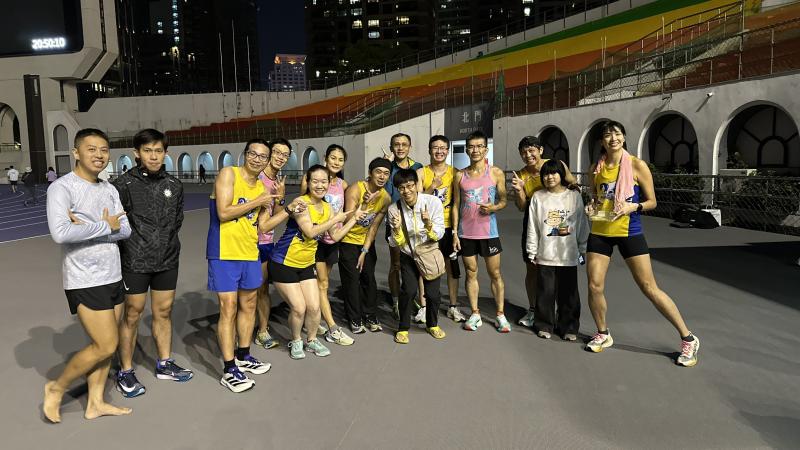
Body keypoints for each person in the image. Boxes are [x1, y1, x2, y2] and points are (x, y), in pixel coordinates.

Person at [584, 120, 700, 367]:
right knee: (594, 285)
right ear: (602, 141)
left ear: (624, 137)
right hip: (600, 230)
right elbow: (595, 197)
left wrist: (633, 207)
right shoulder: (595, 168)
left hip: (629, 231)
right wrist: (591, 206)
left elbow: (652, 202)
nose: (613, 138)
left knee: (649, 287)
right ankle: (603, 333)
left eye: (617, 134)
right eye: (607, 135)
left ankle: (688, 338)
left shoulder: (637, 165)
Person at [43, 128, 132, 422]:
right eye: (91, 149)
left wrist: (87, 227)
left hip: (113, 274)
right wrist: (104, 226)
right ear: (76, 153)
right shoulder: (62, 188)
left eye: (104, 150)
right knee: (105, 344)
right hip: (84, 278)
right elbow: (60, 233)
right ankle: (56, 387)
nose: (99, 155)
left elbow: (125, 229)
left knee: (107, 347)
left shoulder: (109, 189)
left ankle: (95, 403)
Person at [207, 140, 301, 393]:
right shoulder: (229, 174)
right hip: (224, 252)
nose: (257, 159)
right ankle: (229, 369)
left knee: (249, 305)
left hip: (250, 251)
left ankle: (243, 354)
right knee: (228, 308)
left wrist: (286, 206)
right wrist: (259, 200)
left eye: (263, 156)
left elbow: (264, 226)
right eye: (253, 154)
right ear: (245, 154)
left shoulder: (262, 187)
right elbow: (224, 212)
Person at [112, 129, 192, 398]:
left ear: (166, 153)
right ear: (137, 153)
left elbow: (177, 220)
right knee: (132, 314)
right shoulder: (122, 185)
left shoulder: (174, 185)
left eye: (158, 151)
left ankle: (164, 363)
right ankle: (125, 371)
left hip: (167, 259)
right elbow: (117, 223)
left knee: (164, 311)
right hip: (134, 261)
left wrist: (163, 243)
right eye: (147, 151)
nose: (154, 156)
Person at [270, 165, 366, 359]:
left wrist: (353, 219)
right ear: (308, 182)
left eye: (324, 181)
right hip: (284, 262)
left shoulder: (328, 207)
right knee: (299, 308)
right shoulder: (301, 203)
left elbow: (335, 236)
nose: (320, 185)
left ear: (329, 184)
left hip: (306, 264)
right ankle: (296, 340)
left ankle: (312, 340)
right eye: (315, 181)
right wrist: (335, 219)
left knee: (314, 307)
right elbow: (310, 232)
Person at [510, 136, 577, 328]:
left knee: (561, 267)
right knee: (533, 267)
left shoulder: (556, 165)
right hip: (534, 222)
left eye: (531, 150)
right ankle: (534, 310)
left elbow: (573, 185)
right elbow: (522, 207)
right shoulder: (521, 175)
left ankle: (561, 314)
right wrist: (519, 190)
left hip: (560, 220)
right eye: (523, 152)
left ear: (540, 150)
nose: (528, 155)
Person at [452, 130, 511, 332]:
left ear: (486, 150)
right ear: (466, 150)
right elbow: (455, 205)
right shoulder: (459, 175)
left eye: (479, 146)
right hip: (466, 233)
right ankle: (475, 313)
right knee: (470, 273)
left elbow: (504, 200)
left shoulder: (495, 173)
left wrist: (493, 207)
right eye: (471, 146)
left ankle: (500, 314)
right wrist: (454, 232)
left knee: (495, 273)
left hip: (489, 233)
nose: (475, 150)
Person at [525, 160, 589, 340]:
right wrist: (532, 250)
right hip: (545, 253)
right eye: (545, 174)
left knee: (569, 293)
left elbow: (581, 223)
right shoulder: (538, 197)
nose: (549, 177)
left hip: (568, 253)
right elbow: (533, 226)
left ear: (561, 175)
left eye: (553, 173)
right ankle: (544, 324)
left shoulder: (573, 196)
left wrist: (582, 247)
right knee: (545, 292)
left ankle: (569, 327)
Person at [299, 144, 355, 346]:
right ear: (325, 158)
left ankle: (313, 318)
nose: (336, 162)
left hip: (332, 239)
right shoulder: (313, 180)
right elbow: (302, 203)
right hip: (315, 240)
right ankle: (332, 327)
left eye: (340, 159)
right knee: (320, 283)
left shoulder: (343, 184)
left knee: (322, 283)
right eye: (333, 158)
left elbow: (345, 211)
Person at [387, 169, 446, 343]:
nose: (406, 191)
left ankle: (432, 324)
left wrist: (428, 225)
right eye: (402, 188)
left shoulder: (432, 202)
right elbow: (394, 243)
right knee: (408, 291)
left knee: (433, 294)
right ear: (397, 189)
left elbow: (439, 233)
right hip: (408, 255)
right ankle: (403, 328)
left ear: (417, 185)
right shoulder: (394, 209)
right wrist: (396, 229)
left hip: (429, 253)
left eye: (410, 186)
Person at [415, 135, 466, 324]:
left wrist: (455, 231)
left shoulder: (455, 173)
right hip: (427, 227)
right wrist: (433, 187)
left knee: (452, 268)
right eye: (435, 147)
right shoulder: (421, 172)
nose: (439, 151)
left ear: (447, 150)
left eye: (443, 148)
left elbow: (456, 204)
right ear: (429, 150)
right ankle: (424, 307)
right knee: (424, 267)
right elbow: (417, 200)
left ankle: (453, 306)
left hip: (447, 227)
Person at [339, 157, 392, 334]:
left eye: (386, 173)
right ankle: (354, 318)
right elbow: (348, 219)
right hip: (347, 240)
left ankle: (370, 314)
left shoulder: (385, 198)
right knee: (352, 281)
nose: (382, 176)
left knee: (369, 279)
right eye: (378, 172)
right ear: (370, 173)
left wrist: (364, 250)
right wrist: (365, 203)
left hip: (365, 243)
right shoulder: (356, 189)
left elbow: (374, 227)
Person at [252, 138, 289, 350]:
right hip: (246, 241)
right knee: (244, 292)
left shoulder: (278, 182)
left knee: (262, 289)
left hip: (265, 243)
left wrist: (281, 198)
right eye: (277, 152)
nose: (280, 157)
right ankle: (239, 332)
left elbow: (276, 216)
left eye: (285, 155)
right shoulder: (255, 176)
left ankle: (263, 331)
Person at [382, 133, 423, 319]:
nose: (400, 148)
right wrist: (386, 165)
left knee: (415, 263)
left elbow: (421, 193)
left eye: (404, 144)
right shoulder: (386, 168)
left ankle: (410, 297)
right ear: (391, 147)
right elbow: (383, 192)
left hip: (415, 222)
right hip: (395, 221)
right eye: (396, 144)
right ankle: (396, 300)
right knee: (396, 264)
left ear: (409, 147)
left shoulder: (417, 167)